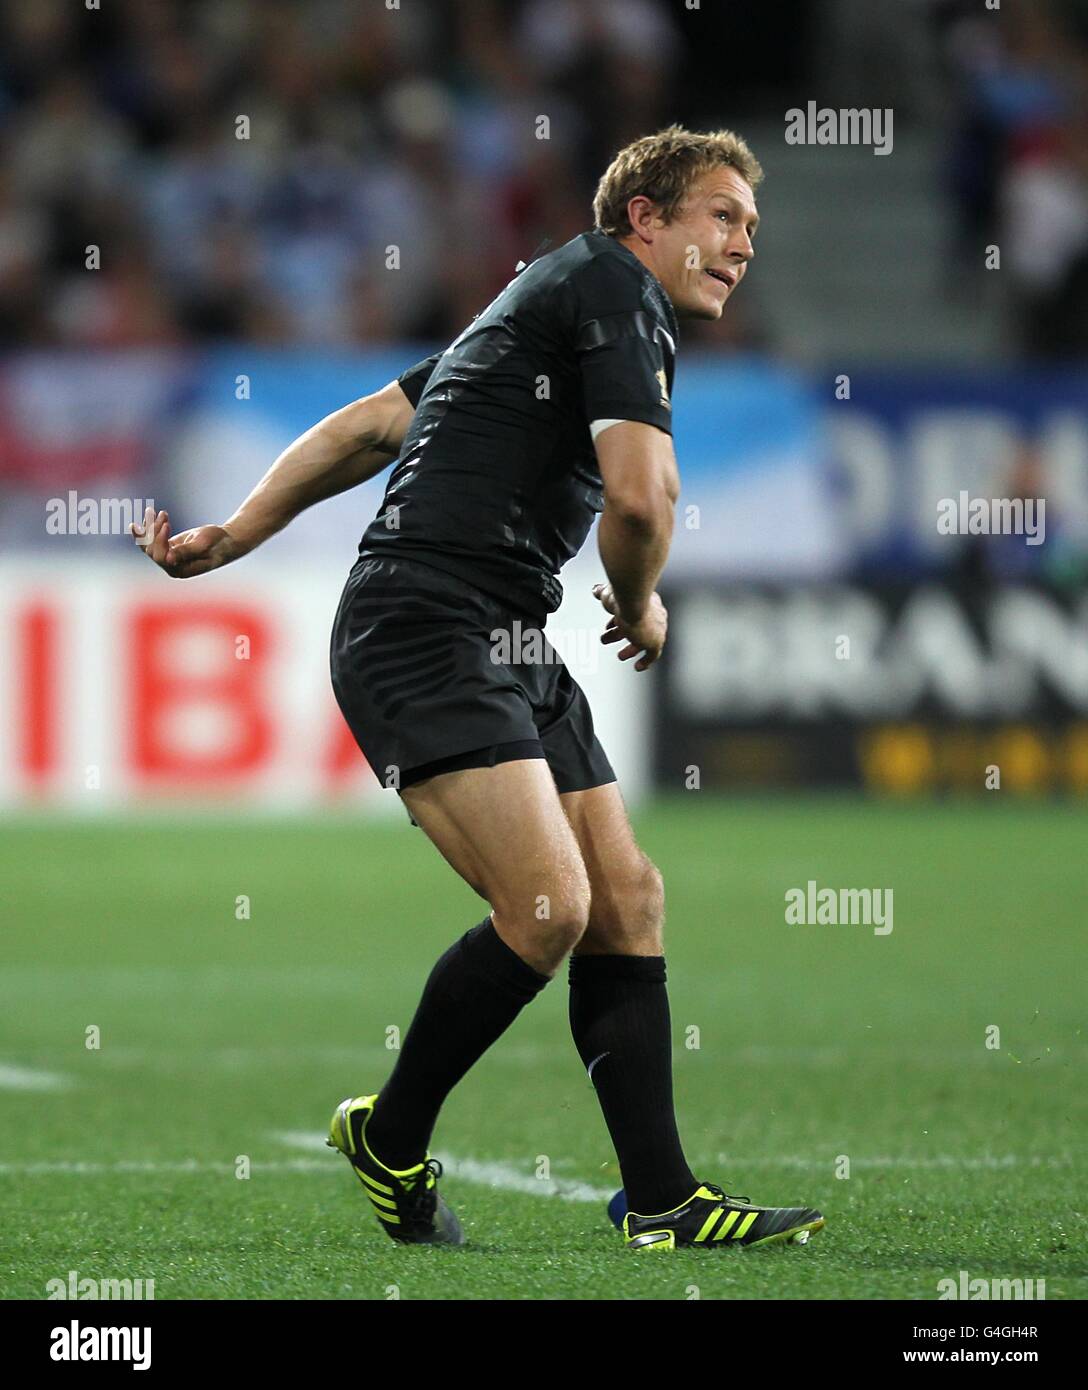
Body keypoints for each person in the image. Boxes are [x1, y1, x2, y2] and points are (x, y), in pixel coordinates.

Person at [133, 126, 824, 1252]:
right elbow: (639, 503)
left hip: (501, 629)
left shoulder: (537, 300)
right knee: (548, 907)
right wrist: (640, 601)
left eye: (750, 227)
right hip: (425, 625)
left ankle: (661, 1199)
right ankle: (392, 1132)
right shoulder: (609, 288)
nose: (741, 244)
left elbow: (367, 425)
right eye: (720, 216)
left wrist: (233, 535)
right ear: (643, 216)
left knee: (625, 898)